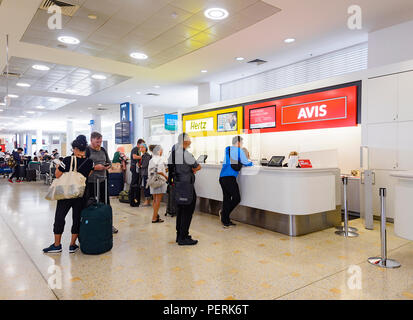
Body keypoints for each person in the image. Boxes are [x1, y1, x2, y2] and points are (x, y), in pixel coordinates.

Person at [43, 135, 94, 254]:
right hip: (80, 193)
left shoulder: (66, 160)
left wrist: (57, 166)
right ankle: (72, 245)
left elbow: (57, 175)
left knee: (60, 217)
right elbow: (88, 175)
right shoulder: (89, 162)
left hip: (65, 192)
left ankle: (57, 245)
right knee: (76, 218)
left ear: (75, 149)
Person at [168, 133, 201, 245]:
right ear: (185, 142)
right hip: (187, 186)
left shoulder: (172, 154)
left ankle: (180, 235)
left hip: (177, 185)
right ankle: (183, 237)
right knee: (187, 210)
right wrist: (192, 170)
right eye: (189, 140)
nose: (190, 142)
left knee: (180, 210)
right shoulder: (186, 154)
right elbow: (197, 166)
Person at [85, 131, 118, 234]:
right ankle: (92, 224)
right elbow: (83, 165)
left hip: (103, 180)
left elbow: (109, 161)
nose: (99, 144)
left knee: (106, 204)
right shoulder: (86, 151)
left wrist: (107, 165)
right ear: (91, 140)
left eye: (100, 142)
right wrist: (94, 167)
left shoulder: (103, 150)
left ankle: (108, 224)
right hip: (91, 182)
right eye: (97, 142)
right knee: (91, 204)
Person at [219, 136, 253, 228]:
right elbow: (246, 162)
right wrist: (252, 163)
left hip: (222, 178)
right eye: (241, 142)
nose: (242, 144)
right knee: (236, 198)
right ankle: (224, 214)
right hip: (229, 178)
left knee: (227, 199)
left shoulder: (228, 150)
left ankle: (225, 220)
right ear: (238, 142)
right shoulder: (238, 150)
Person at [148, 145, 167, 223]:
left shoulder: (152, 159)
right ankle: (154, 218)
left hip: (152, 181)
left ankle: (156, 216)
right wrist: (166, 176)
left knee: (155, 200)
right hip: (159, 182)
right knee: (158, 201)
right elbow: (159, 171)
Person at [129, 139, 145, 207]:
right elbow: (134, 156)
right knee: (134, 183)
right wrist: (142, 157)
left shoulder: (139, 150)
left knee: (136, 183)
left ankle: (135, 199)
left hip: (136, 168)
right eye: (142, 144)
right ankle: (132, 199)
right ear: (139, 144)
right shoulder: (135, 149)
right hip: (134, 168)